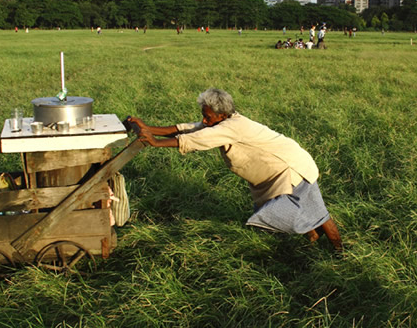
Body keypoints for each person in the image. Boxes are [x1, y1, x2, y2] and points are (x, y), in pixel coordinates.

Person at [127, 88, 343, 251]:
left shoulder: (231, 127)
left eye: (207, 116)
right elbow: (191, 128)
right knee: (297, 214)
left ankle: (339, 253)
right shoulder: (220, 122)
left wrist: (155, 142)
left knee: (318, 215)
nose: (204, 120)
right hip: (274, 174)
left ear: (221, 115)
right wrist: (148, 129)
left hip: (293, 169)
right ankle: (312, 243)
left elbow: (197, 139)